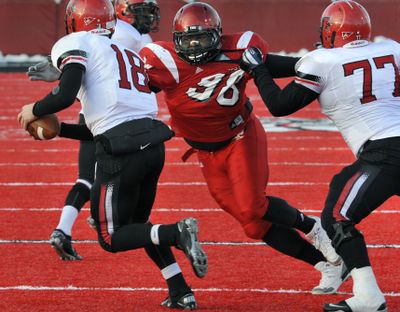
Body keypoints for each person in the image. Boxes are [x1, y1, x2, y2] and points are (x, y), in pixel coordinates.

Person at [139, 1, 347, 295]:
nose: (196, 45)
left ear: (218, 35)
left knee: (253, 205)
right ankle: (328, 266)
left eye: (203, 37)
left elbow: (273, 65)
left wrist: (321, 62)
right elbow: (135, 86)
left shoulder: (239, 49)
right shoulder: (163, 61)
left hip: (240, 135)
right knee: (253, 226)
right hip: (204, 151)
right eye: (189, 39)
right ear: (176, 40)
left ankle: (315, 229)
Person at [18, 0, 207, 309]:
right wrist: (61, 130)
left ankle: (178, 232)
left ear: (75, 21)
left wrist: (34, 110)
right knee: (140, 226)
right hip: (152, 144)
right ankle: (180, 289)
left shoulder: (77, 43)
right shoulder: (125, 52)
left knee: (111, 237)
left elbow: (65, 93)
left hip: (122, 151)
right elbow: (102, 125)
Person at [240, 1, 396, 311]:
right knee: (341, 186)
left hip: (384, 151)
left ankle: (368, 296)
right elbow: (297, 64)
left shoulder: (322, 61)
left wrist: (257, 71)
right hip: (390, 144)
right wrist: (248, 62)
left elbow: (280, 105)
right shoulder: (392, 48)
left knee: (337, 218)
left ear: (330, 30)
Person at [27, 0, 161, 261]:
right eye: (141, 11)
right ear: (118, 14)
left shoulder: (119, 35)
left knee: (87, 178)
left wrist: (59, 71)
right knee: (103, 188)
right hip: (116, 116)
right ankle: (105, 218)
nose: (147, 19)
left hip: (100, 112)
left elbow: (90, 63)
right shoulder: (129, 35)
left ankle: (64, 228)